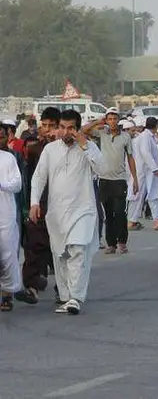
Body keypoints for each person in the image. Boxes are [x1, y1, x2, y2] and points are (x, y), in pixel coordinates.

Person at [29, 109, 108, 315]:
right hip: (56, 213)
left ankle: (75, 297)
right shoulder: (50, 150)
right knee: (61, 255)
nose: (65, 132)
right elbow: (39, 177)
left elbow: (102, 169)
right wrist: (34, 203)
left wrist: (84, 144)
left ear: (78, 128)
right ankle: (66, 296)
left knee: (78, 250)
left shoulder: (88, 147)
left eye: (70, 128)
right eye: (62, 127)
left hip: (83, 209)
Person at [82, 109, 139, 254]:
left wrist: (135, 179)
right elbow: (82, 131)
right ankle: (111, 244)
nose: (112, 121)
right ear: (106, 120)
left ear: (118, 120)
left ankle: (122, 242)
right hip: (104, 179)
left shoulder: (126, 137)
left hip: (119, 180)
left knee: (120, 212)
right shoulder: (101, 134)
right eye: (110, 119)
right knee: (108, 213)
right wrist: (98, 121)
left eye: (115, 118)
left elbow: (130, 158)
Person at [20, 106, 61, 303]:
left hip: (63, 205)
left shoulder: (68, 147)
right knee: (34, 244)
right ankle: (31, 286)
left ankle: (64, 288)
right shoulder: (34, 148)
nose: (46, 129)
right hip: (40, 204)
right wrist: (30, 204)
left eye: (51, 126)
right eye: (44, 126)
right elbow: (30, 179)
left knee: (61, 249)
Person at [0, 127, 24, 311]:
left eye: (2, 135)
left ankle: (8, 294)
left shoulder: (8, 159)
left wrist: (2, 185)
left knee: (7, 254)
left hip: (5, 215)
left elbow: (17, 184)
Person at [133, 117, 158, 231]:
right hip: (148, 171)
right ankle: (157, 221)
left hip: (147, 170)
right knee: (153, 195)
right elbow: (145, 153)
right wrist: (154, 168)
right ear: (156, 126)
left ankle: (157, 219)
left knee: (149, 195)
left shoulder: (148, 136)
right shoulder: (145, 137)